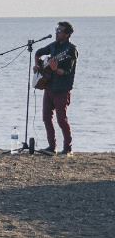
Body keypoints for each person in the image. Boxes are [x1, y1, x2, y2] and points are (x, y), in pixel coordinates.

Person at [34, 21, 78, 155]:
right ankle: (52, 147)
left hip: (62, 89)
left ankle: (68, 149)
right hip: (49, 86)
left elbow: (68, 72)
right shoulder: (53, 46)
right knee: (46, 118)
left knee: (61, 120)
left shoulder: (71, 50)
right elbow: (38, 53)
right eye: (56, 30)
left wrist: (56, 69)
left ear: (67, 34)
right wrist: (38, 67)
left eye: (60, 31)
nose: (57, 32)